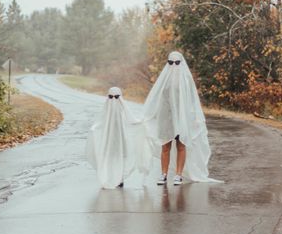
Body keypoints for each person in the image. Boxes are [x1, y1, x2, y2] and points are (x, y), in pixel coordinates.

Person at [142, 51, 220, 185]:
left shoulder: (186, 80)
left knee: (181, 146)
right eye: (170, 62)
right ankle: (163, 174)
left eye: (177, 62)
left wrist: (193, 118)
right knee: (165, 147)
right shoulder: (164, 80)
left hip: (182, 118)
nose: (173, 65)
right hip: (166, 118)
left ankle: (178, 175)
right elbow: (156, 98)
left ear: (181, 63)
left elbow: (192, 101)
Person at [86, 86, 146, 189]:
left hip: (120, 136)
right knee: (109, 156)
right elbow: (100, 120)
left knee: (120, 156)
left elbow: (130, 118)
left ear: (120, 97)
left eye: (116, 97)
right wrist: (94, 128)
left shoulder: (122, 107)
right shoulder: (106, 107)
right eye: (110, 96)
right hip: (108, 137)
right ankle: (108, 177)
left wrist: (139, 122)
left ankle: (120, 178)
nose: (113, 99)